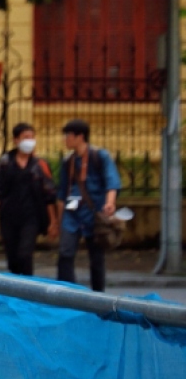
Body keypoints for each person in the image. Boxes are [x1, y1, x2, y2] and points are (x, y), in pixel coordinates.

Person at [0, 123, 57, 276]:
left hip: (31, 217)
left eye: (32, 137)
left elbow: (48, 194)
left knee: (25, 253)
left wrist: (53, 221)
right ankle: (14, 286)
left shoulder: (39, 165)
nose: (29, 141)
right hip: (9, 216)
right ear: (16, 140)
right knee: (13, 256)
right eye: (25, 137)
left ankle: (28, 288)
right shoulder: (6, 163)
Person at [56, 118, 121, 291]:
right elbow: (62, 193)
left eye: (69, 136)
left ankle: (98, 297)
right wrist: (58, 222)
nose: (66, 140)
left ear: (80, 137)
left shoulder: (99, 156)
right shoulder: (68, 162)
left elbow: (111, 182)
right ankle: (66, 294)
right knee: (65, 254)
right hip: (72, 215)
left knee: (96, 258)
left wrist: (110, 203)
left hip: (94, 213)